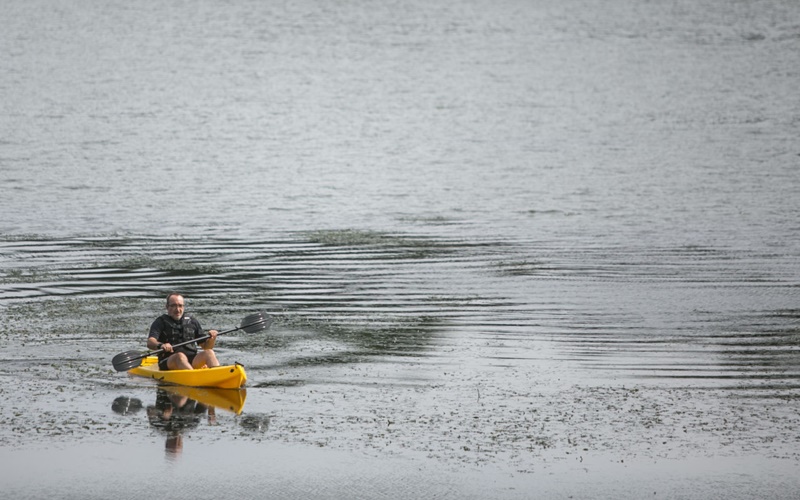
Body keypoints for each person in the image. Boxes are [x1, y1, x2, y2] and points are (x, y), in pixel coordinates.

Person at [147, 293, 220, 371]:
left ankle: (219, 373)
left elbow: (206, 347)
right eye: (173, 306)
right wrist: (161, 345)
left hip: (192, 360)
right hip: (169, 360)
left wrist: (212, 338)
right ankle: (193, 375)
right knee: (180, 356)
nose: (177, 309)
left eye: (180, 306)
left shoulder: (192, 321)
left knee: (209, 352)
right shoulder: (160, 322)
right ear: (167, 307)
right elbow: (150, 342)